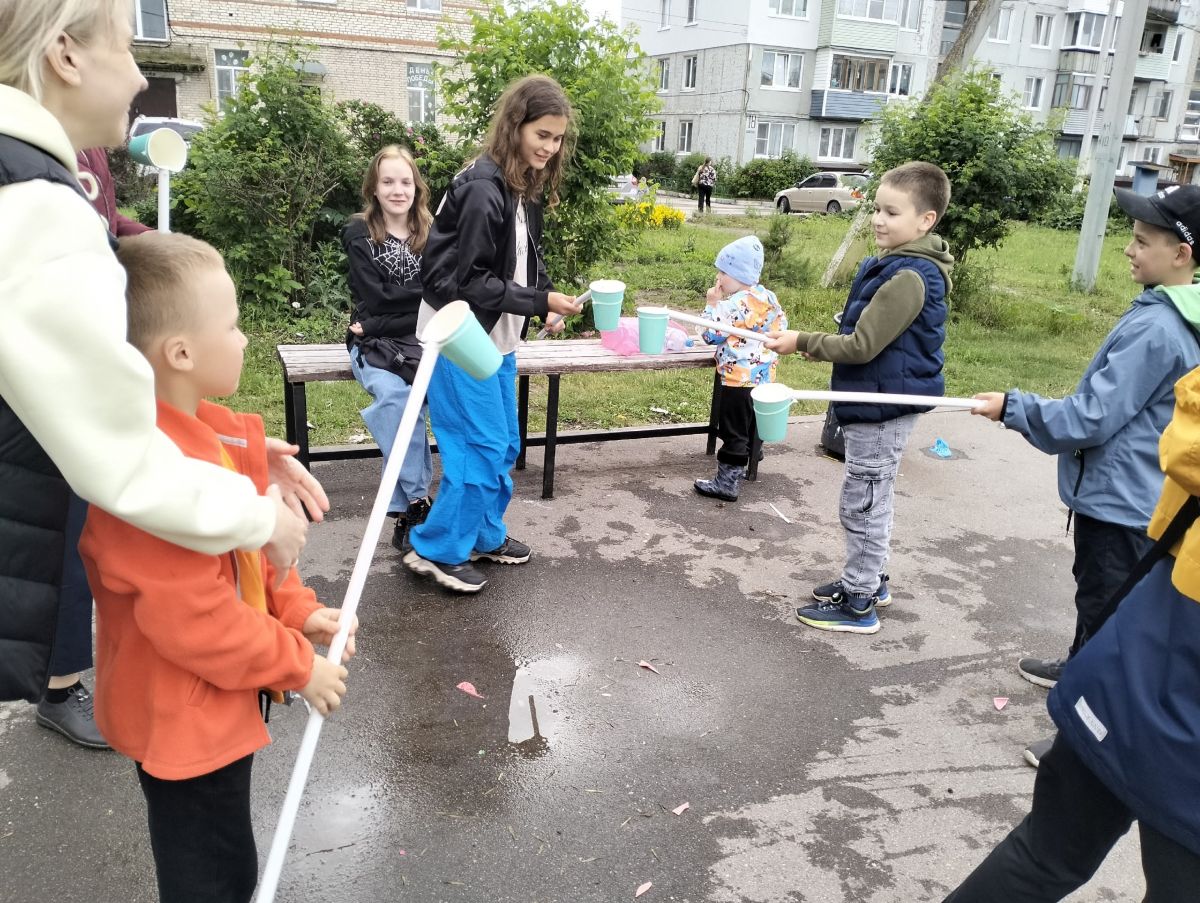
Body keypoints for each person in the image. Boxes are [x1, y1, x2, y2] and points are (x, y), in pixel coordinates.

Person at [0, 0, 321, 705]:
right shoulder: (32, 203)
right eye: (126, 47)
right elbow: (120, 453)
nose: (142, 77)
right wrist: (260, 516)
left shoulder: (26, 179)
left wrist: (233, 448)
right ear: (65, 54)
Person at [84, 230, 354, 903]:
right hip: (182, 725)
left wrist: (298, 611)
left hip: (211, 707)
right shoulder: (149, 482)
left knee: (229, 856)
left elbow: (249, 558)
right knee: (211, 876)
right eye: (231, 326)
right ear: (180, 352)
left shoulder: (204, 442)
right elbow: (197, 619)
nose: (244, 338)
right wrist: (299, 665)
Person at [942, 367, 1200, 902]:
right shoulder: (1159, 327)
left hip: (1136, 660)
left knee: (1043, 856)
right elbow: (1096, 412)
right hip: (1174, 700)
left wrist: (1018, 408)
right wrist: (1019, 408)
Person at [972, 184, 1200, 768]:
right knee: (1098, 598)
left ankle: (1082, 746)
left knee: (1108, 616)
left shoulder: (1159, 327)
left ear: (1182, 254)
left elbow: (1092, 417)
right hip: (1130, 494)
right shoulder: (1170, 309)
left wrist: (1014, 407)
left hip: (1123, 503)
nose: (1129, 249)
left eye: (1142, 241)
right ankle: (1079, 666)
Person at [404, 73, 583, 593]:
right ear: (515, 126)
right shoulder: (483, 186)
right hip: (459, 336)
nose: (549, 147)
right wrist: (538, 301)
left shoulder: (520, 181)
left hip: (496, 335)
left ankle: (482, 534)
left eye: (557, 138)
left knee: (503, 443)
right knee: (476, 445)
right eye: (542, 134)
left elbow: (523, 258)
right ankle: (437, 548)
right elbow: (470, 282)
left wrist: (546, 299)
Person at [766, 161, 953, 635]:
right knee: (873, 495)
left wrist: (803, 340)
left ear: (926, 220)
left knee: (863, 501)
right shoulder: (897, 265)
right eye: (877, 209)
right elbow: (866, 340)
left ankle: (859, 601)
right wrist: (821, 346)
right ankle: (871, 580)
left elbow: (863, 346)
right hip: (877, 397)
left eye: (892, 212)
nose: (878, 220)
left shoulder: (909, 276)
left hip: (881, 406)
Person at [36, 148, 152, 749]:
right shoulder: (33, 146)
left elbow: (101, 218)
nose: (133, 104)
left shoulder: (85, 142)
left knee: (86, 526)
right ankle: (58, 689)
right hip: (56, 365)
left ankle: (71, 674)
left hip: (90, 357)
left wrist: (139, 236)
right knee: (62, 530)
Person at [344, 145, 435, 554]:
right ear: (374, 188)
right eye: (387, 182)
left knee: (425, 403)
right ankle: (418, 501)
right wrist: (421, 299)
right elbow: (376, 298)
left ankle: (407, 513)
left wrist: (382, 318)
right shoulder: (359, 233)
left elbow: (442, 296)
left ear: (416, 187)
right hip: (375, 345)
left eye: (405, 182)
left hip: (419, 339)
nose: (398, 190)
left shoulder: (432, 232)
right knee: (396, 401)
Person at [694, 235, 786, 502]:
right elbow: (782, 327)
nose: (719, 278)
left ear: (737, 274)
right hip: (763, 376)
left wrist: (712, 304)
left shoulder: (731, 305)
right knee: (752, 422)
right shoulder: (769, 298)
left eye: (723, 272)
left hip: (737, 378)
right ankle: (753, 453)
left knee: (733, 429)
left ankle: (727, 482)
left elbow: (710, 335)